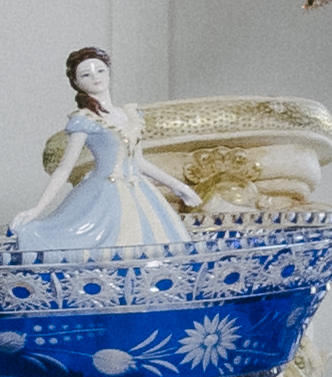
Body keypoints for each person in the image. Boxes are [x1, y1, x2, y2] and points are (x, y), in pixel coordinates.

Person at [10, 49, 197, 261]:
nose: (95, 77)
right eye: (86, 75)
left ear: (108, 72)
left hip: (141, 191)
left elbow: (139, 162)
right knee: (101, 249)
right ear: (76, 82)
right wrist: (37, 209)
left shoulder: (130, 115)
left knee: (154, 244)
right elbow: (64, 169)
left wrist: (178, 185)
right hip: (103, 194)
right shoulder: (85, 120)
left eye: (100, 70)